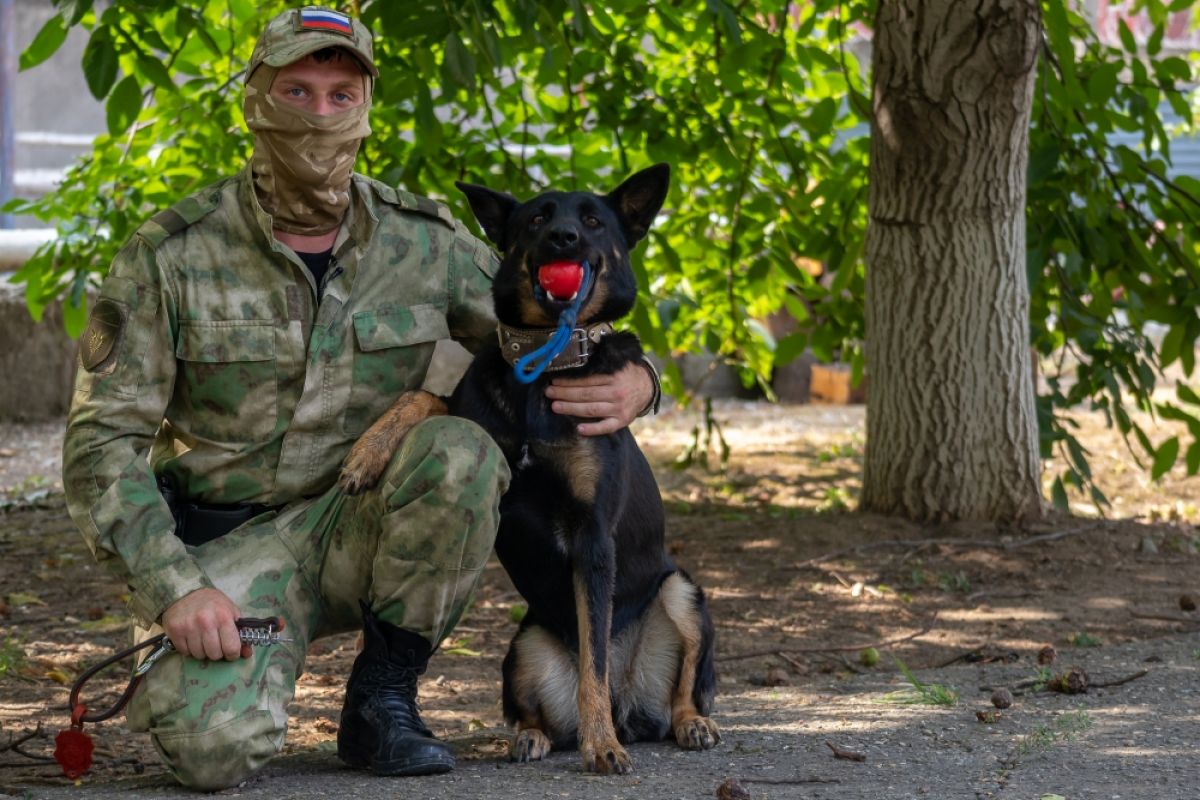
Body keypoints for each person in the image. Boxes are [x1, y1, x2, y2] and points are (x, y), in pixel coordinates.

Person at [61, 6, 658, 791]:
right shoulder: (171, 255)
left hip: (365, 531)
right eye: (296, 91)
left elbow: (546, 331)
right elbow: (100, 446)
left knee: (461, 453)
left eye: (341, 95)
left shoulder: (424, 242)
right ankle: (234, 667)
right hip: (223, 558)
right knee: (213, 755)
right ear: (253, 102)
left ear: (366, 109)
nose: (319, 114)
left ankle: (383, 700)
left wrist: (643, 381)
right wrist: (176, 589)